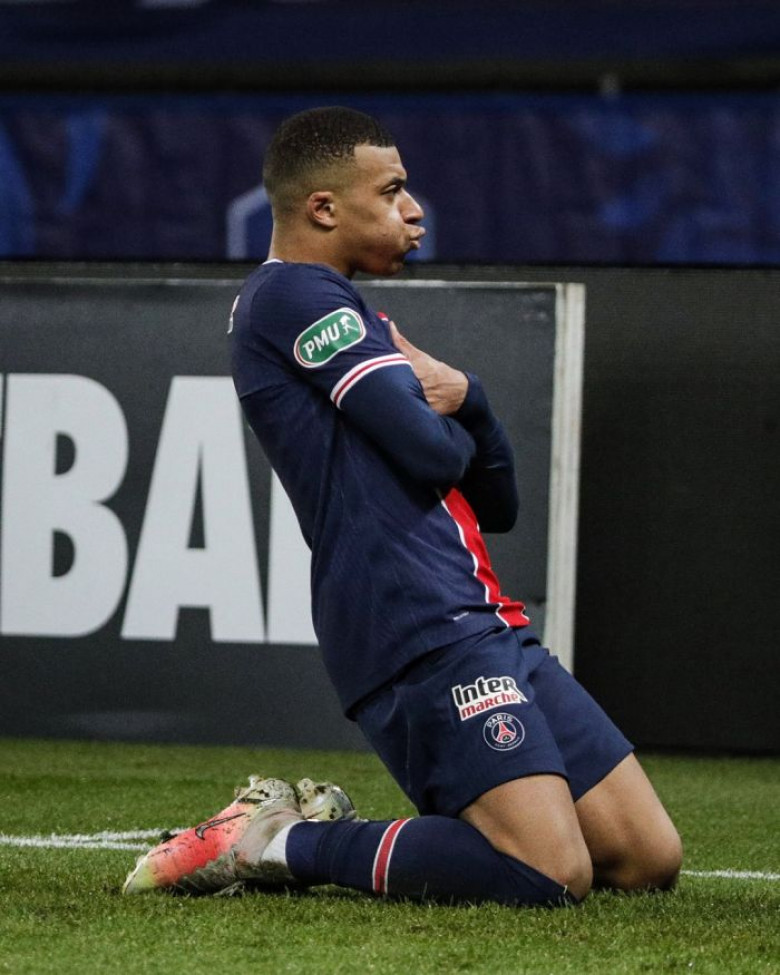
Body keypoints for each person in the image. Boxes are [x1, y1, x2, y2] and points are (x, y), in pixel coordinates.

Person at [123, 106, 682, 905]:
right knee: (550, 872)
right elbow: (431, 454)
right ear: (324, 207)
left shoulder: (352, 312)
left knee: (646, 856)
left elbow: (498, 500)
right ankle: (277, 841)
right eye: (391, 191)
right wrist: (450, 418)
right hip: (413, 617)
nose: (414, 210)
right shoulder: (292, 297)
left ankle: (307, 835)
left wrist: (472, 397)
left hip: (481, 614)